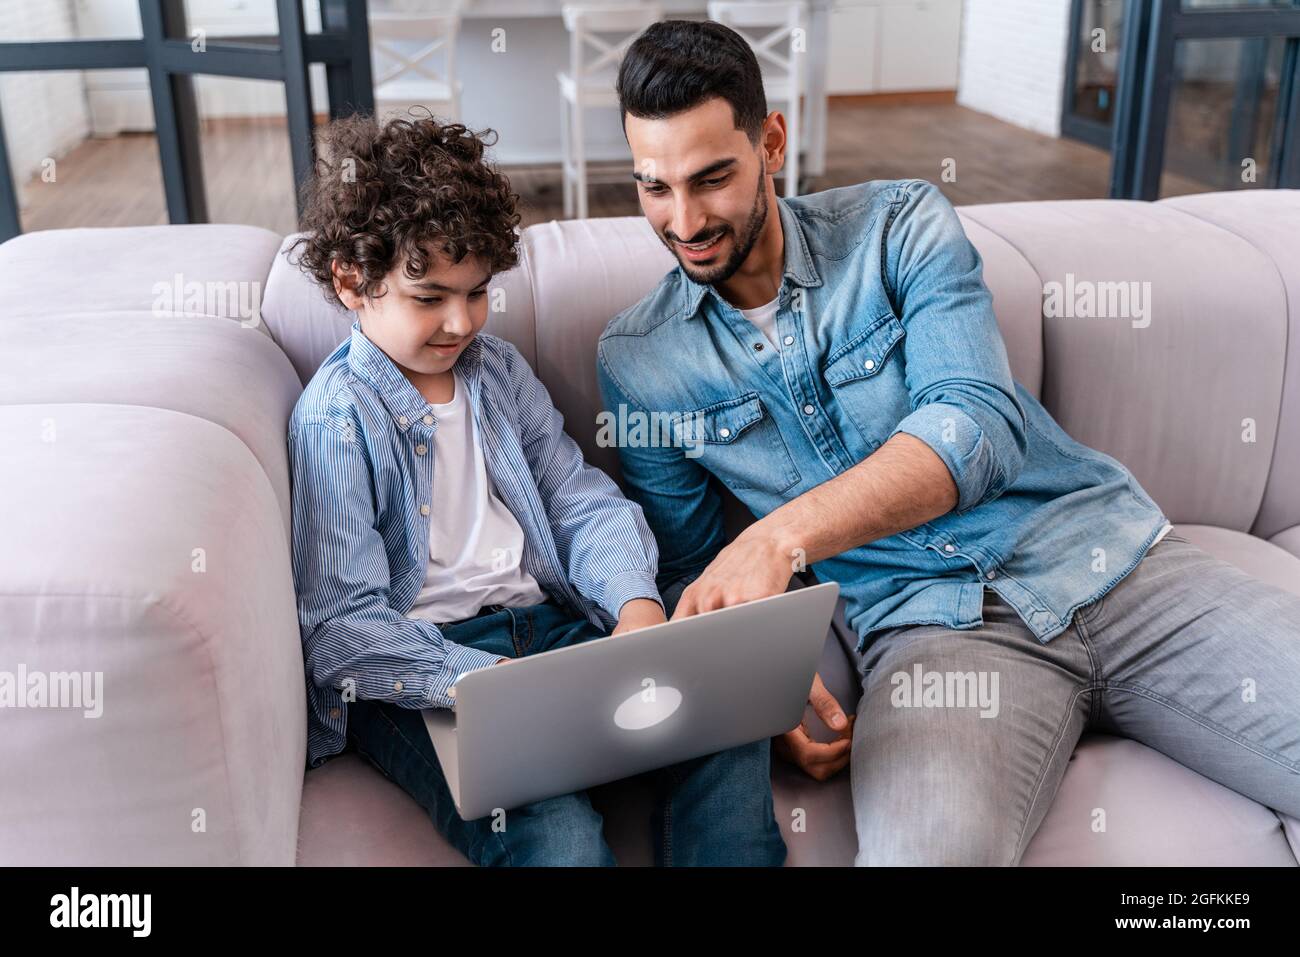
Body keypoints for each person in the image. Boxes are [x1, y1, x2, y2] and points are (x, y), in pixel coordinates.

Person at [597, 20, 1300, 865]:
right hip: (932, 635)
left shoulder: (901, 226)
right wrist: (757, 693)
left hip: (1111, 561)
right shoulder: (640, 362)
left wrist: (782, 535)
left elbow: (973, 427)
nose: (685, 220)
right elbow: (694, 566)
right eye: (654, 188)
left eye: (712, 178)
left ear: (772, 142)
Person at [287, 112, 785, 866]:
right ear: (352, 282)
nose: (461, 321)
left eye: (477, 291)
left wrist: (636, 607)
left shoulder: (498, 372)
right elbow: (342, 626)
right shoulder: (336, 417)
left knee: (722, 729)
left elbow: (578, 499)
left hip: (553, 631)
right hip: (429, 676)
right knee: (551, 832)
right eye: (429, 298)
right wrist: (486, 683)